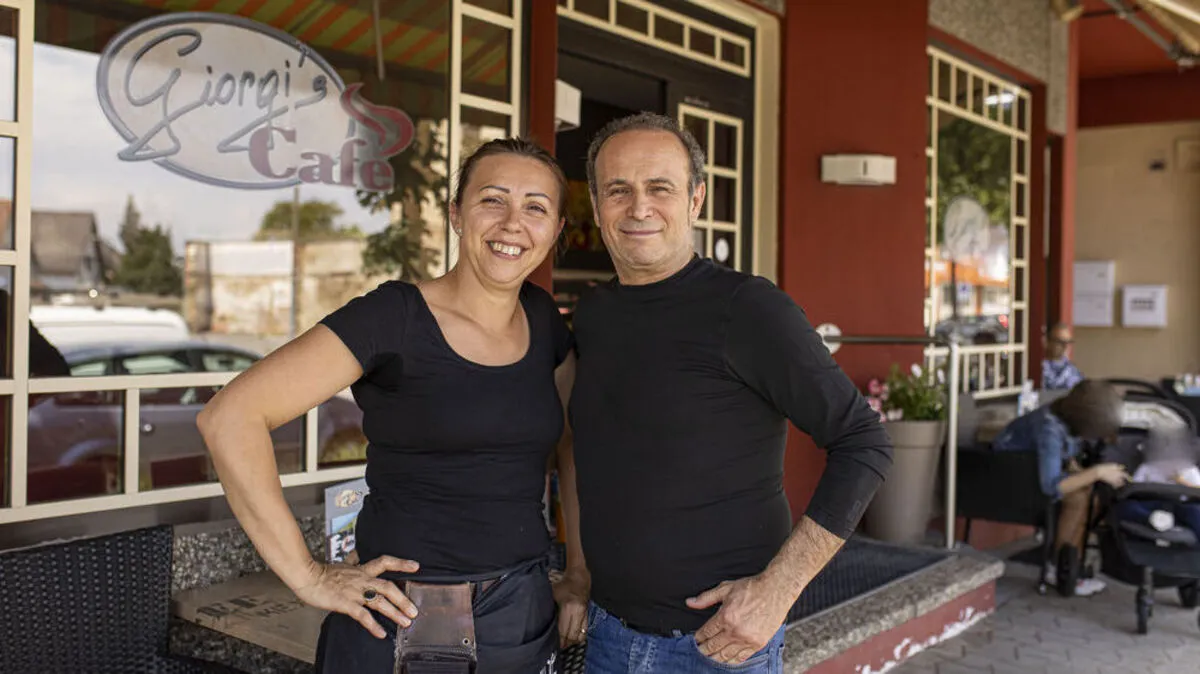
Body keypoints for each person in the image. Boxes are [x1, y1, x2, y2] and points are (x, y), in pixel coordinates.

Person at [197, 138, 574, 673]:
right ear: (456, 215)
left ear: (555, 231)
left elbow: (569, 444)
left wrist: (577, 568)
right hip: (406, 619)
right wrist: (308, 575)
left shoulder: (544, 321)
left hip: (523, 611)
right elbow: (229, 418)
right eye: (493, 199)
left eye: (536, 207)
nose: (514, 223)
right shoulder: (395, 316)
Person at [551, 112, 894, 672]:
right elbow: (583, 450)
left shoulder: (748, 309)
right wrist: (579, 573)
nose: (639, 208)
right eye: (619, 190)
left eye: (660, 187)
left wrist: (777, 592)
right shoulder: (595, 315)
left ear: (695, 200)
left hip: (716, 648)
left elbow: (864, 441)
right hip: (608, 635)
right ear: (595, 201)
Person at [990, 379, 1127, 596]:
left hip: (1027, 481)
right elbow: (1051, 486)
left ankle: (1072, 563)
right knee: (1079, 498)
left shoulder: (1060, 415)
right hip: (1009, 488)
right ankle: (1058, 566)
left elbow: (1064, 462)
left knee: (1089, 494)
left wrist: (1081, 472)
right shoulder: (1048, 431)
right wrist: (1097, 472)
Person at [1042, 322, 1083, 390]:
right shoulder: (1039, 370)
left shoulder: (1073, 371)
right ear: (1048, 342)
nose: (1066, 346)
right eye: (1060, 342)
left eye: (1068, 342)